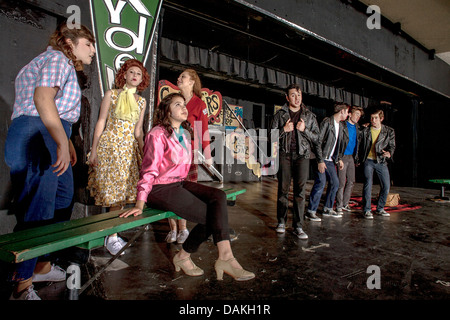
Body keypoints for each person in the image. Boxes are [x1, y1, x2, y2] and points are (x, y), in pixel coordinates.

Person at [120, 93, 254, 281]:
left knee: (219, 197)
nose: (184, 108)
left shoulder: (183, 132)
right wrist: (139, 203)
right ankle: (223, 258)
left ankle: (195, 257)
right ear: (167, 110)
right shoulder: (156, 134)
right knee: (211, 217)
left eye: (184, 104)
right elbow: (148, 170)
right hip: (159, 188)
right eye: (178, 104)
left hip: (178, 183)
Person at [4, 22, 95, 300]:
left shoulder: (57, 63)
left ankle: (42, 265)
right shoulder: (57, 58)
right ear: (69, 42)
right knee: (38, 209)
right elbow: (43, 99)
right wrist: (58, 140)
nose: (92, 50)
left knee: (63, 199)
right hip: (37, 133)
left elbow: (53, 108)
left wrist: (65, 141)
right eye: (88, 44)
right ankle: (21, 286)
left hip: (48, 132)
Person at [87, 59, 149, 255]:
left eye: (138, 74)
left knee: (122, 195)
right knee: (109, 193)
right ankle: (104, 236)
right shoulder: (111, 95)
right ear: (124, 74)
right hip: (110, 147)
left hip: (128, 150)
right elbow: (101, 122)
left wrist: (145, 152)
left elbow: (138, 131)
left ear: (141, 80)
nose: (134, 76)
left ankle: (112, 236)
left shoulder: (141, 101)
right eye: (131, 72)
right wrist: (94, 149)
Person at [163, 69, 213, 244]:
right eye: (179, 76)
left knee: (184, 191)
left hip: (188, 155)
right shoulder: (173, 101)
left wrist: (207, 155)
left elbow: (203, 131)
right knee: (169, 188)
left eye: (182, 77)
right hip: (170, 153)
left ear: (192, 81)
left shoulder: (199, 104)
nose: (178, 78)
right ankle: (173, 229)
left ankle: (183, 229)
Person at [270, 84, 319, 239]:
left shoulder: (309, 116)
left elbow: (317, 139)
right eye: (293, 95)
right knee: (283, 190)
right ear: (287, 97)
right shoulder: (280, 115)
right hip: (285, 155)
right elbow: (270, 137)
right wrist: (284, 129)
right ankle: (281, 222)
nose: (296, 98)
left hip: (302, 156)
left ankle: (298, 226)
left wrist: (305, 130)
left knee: (300, 192)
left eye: (298, 95)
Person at [306, 103, 350, 220]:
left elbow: (338, 145)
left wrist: (339, 159)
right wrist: (320, 161)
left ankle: (327, 209)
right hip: (320, 158)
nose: (347, 114)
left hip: (330, 160)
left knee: (335, 183)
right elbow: (318, 142)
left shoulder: (341, 125)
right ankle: (311, 211)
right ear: (342, 111)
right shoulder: (327, 122)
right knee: (320, 182)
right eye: (346, 112)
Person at [359, 109, 396, 219]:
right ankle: (367, 210)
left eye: (375, 118)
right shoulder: (365, 130)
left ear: (381, 118)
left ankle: (380, 208)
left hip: (381, 161)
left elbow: (392, 146)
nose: (373, 120)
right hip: (368, 160)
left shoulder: (389, 131)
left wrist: (389, 153)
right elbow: (359, 145)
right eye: (372, 118)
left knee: (386, 186)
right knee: (368, 184)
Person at [336, 106, 364, 214]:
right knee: (341, 182)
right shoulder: (342, 125)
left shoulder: (357, 127)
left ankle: (345, 204)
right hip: (342, 156)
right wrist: (338, 157)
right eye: (356, 114)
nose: (358, 117)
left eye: (359, 115)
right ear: (350, 114)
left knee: (351, 181)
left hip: (351, 157)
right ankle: (338, 205)